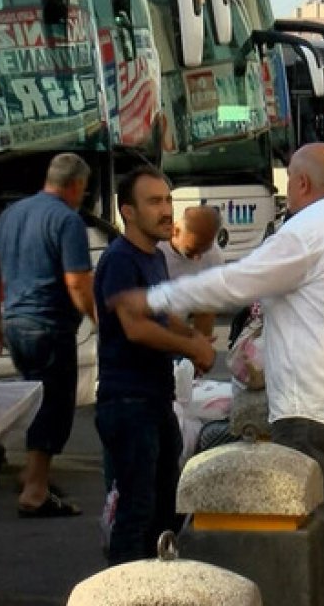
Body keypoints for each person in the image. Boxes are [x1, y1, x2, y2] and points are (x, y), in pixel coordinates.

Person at [112, 143, 324, 606]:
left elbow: (235, 282)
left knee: (321, 525)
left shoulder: (303, 233)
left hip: (318, 409)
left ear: (303, 183)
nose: (288, 193)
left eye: (290, 182)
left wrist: (154, 299)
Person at [95, 167, 217, 565]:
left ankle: (154, 581)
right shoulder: (119, 260)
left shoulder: (155, 259)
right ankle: (127, 587)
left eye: (168, 201)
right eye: (154, 202)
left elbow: (163, 316)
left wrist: (196, 339)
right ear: (128, 212)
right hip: (127, 403)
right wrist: (191, 346)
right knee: (137, 511)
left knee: (167, 505)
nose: (166, 211)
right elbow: (137, 328)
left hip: (156, 399)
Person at [0, 153, 95, 517]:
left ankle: (33, 474)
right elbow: (77, 281)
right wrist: (100, 318)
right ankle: (34, 490)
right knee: (54, 405)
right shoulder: (67, 220)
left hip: (16, 324)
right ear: (76, 185)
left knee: (35, 399)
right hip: (49, 325)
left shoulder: (12, 213)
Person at [159, 205, 223, 337]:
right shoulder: (157, 250)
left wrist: (201, 343)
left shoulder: (214, 255)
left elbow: (207, 308)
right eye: (191, 251)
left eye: (204, 250)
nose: (197, 258)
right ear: (175, 231)